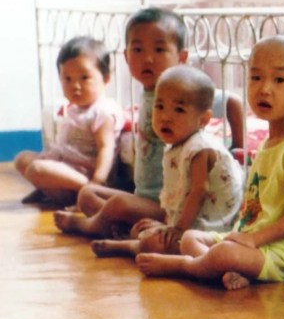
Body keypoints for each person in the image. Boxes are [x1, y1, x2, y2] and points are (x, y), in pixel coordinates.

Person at [137, 34, 284, 291]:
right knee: (191, 237)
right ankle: (231, 270)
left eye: (279, 79)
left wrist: (253, 239)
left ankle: (185, 267)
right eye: (256, 77)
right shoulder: (268, 143)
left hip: (281, 253)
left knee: (223, 252)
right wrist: (245, 238)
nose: (264, 88)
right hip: (247, 241)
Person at [54, 8, 243, 237]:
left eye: (159, 49)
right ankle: (125, 227)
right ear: (126, 57)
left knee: (117, 206)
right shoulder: (147, 92)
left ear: (181, 58)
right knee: (87, 194)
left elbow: (233, 102)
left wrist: (238, 147)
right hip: (143, 196)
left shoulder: (185, 92)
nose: (148, 58)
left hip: (168, 204)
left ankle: (93, 226)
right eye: (138, 50)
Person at [89, 66, 244, 258]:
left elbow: (199, 191)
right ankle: (137, 243)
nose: (165, 117)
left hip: (216, 228)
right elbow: (178, 195)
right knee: (143, 230)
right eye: (159, 106)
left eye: (179, 110)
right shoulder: (177, 145)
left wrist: (177, 229)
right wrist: (166, 224)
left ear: (203, 119)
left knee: (153, 242)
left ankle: (129, 247)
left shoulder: (200, 148)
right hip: (192, 221)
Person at [15, 36, 124, 206]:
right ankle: (46, 188)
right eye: (67, 79)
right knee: (22, 159)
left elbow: (106, 148)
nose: (75, 86)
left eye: (84, 78)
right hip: (64, 170)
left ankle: (92, 192)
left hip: (85, 175)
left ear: (106, 78)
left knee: (37, 168)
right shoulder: (74, 108)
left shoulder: (103, 111)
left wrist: (97, 181)